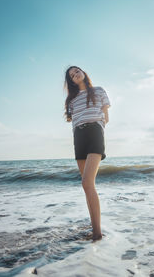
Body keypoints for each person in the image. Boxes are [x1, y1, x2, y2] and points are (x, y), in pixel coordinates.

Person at [64, 65, 111, 242]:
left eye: (76, 71)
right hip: (79, 136)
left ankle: (97, 234)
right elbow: (72, 120)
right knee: (87, 187)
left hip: (94, 132)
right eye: (71, 75)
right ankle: (95, 230)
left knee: (87, 182)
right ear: (70, 81)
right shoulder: (71, 99)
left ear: (83, 72)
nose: (75, 75)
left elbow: (106, 115)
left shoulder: (98, 90)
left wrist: (99, 127)